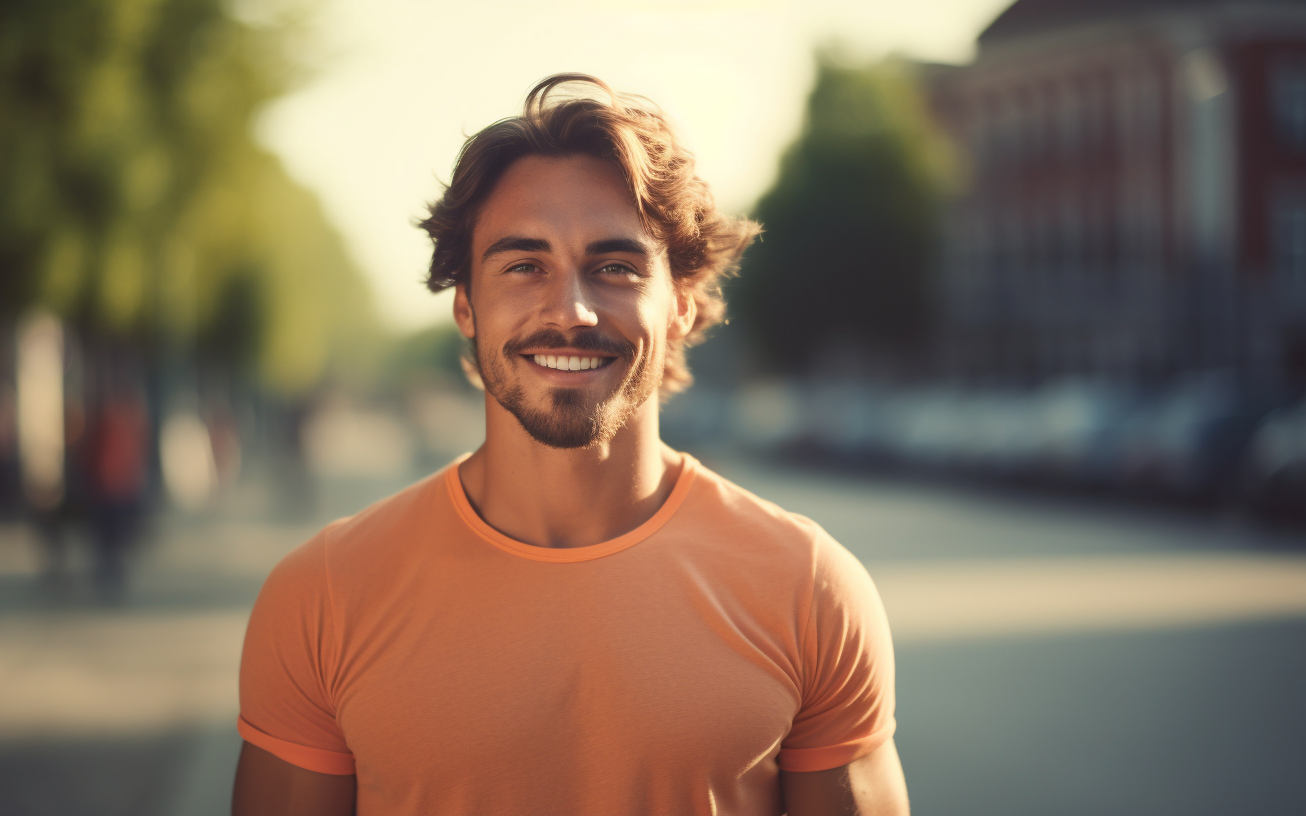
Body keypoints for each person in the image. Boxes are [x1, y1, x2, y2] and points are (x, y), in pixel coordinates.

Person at [233, 74, 908, 816]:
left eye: (615, 267)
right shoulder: (321, 596)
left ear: (680, 308)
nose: (572, 310)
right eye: (525, 266)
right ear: (466, 306)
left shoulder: (812, 591)